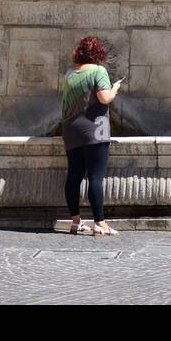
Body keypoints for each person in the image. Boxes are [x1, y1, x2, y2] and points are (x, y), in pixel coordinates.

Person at [60, 36, 122, 236]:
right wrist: (115, 89)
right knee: (95, 177)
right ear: (99, 54)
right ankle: (100, 223)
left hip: (71, 130)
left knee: (74, 176)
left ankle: (76, 221)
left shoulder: (70, 74)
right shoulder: (98, 71)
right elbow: (104, 99)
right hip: (96, 130)